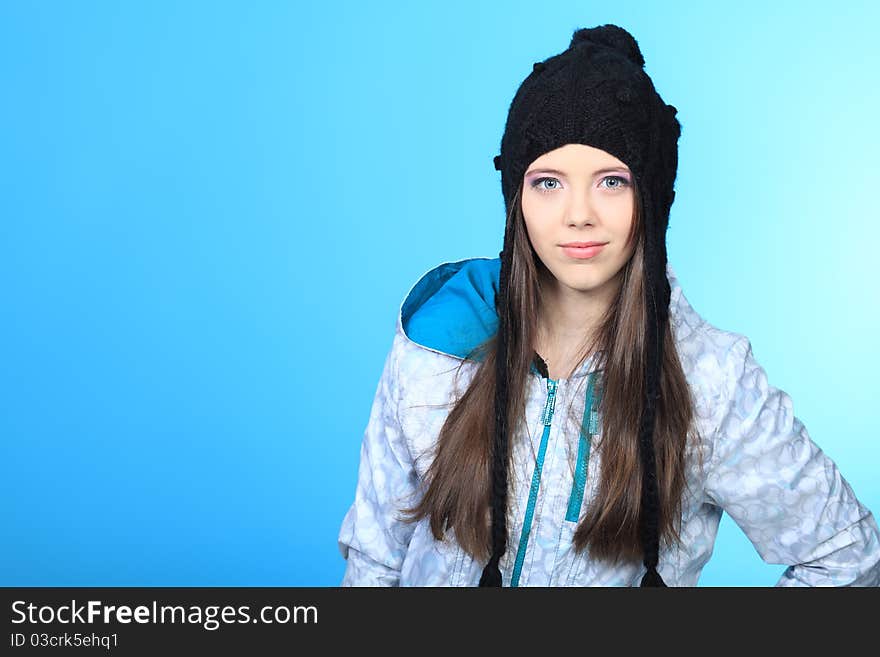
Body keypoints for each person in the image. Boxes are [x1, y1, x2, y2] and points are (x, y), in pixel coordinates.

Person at [337, 24, 880, 586]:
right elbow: (376, 558)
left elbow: (847, 556)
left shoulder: (712, 381)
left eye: (612, 182)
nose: (579, 215)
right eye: (548, 182)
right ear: (515, 196)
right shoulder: (439, 340)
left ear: (652, 195)